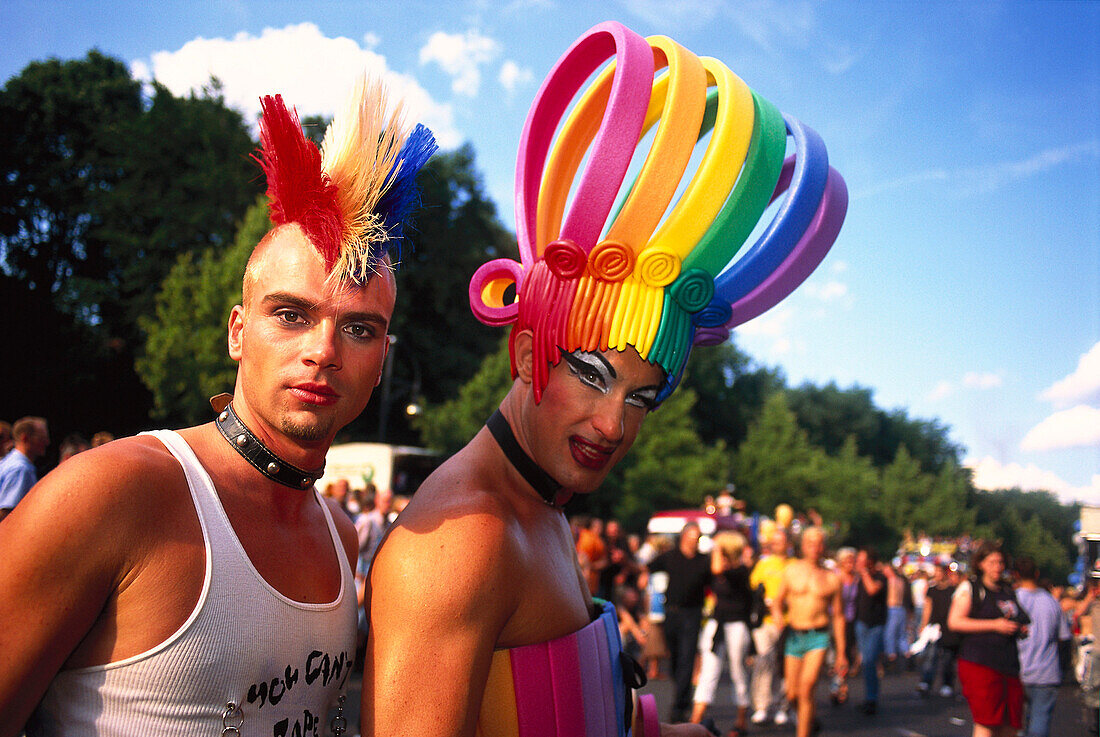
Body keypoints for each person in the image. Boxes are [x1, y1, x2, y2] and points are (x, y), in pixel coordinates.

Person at [363, 20, 845, 737]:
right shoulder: (463, 542)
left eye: (642, 396)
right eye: (592, 373)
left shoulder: (541, 506)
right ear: (527, 355)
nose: (615, 423)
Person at [0, 77, 436, 734]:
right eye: (291, 314)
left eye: (358, 328)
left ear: (383, 357)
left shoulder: (344, 541)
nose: (323, 350)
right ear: (238, 331)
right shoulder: (113, 493)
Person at [947, 541, 1030, 737]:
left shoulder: (1007, 590)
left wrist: (1019, 629)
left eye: (1001, 562)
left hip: (1008, 663)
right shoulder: (971, 588)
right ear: (981, 563)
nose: (997, 567)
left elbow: (1019, 617)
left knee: (1011, 724)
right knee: (988, 721)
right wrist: (994, 625)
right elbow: (955, 622)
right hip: (980, 662)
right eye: (992, 562)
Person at [772, 527, 847, 737]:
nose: (815, 548)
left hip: (819, 636)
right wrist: (778, 615)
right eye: (810, 543)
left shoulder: (832, 578)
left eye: (819, 543)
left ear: (824, 547)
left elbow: (839, 617)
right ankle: (809, 720)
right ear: (803, 546)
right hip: (794, 636)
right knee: (792, 693)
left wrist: (841, 652)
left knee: (807, 688)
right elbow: (777, 601)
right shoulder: (791, 571)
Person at [689, 531, 755, 735]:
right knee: (708, 672)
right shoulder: (716, 570)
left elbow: (719, 569)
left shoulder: (741, 571)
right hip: (717, 625)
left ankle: (741, 721)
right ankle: (695, 720)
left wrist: (717, 548)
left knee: (737, 672)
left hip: (736, 625)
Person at [648, 522, 712, 723]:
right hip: (672, 612)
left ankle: (680, 705)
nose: (695, 542)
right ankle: (681, 691)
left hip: (692, 614)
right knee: (675, 656)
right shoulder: (670, 557)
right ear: (684, 537)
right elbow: (647, 567)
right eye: (693, 537)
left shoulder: (704, 561)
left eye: (698, 538)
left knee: (687, 657)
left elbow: (715, 579)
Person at [1014, 556, 1071, 737]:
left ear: (1015, 575)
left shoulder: (1011, 600)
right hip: (1046, 672)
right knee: (1040, 721)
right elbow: (1064, 637)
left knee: (1017, 723)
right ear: (1037, 574)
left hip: (1017, 669)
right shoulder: (1051, 602)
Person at [750, 527, 792, 726]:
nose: (776, 545)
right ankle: (761, 706)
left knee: (785, 667)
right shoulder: (764, 564)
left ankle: (784, 706)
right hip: (765, 622)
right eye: (774, 541)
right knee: (764, 661)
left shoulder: (794, 565)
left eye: (780, 541)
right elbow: (753, 588)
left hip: (789, 621)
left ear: (788, 544)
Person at [915, 562, 959, 698]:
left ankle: (947, 684)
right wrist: (923, 624)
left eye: (939, 572)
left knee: (947, 658)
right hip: (934, 627)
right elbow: (927, 607)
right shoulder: (932, 590)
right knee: (930, 656)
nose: (937, 575)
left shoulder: (953, 590)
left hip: (948, 628)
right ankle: (926, 681)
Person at [854, 546, 887, 715]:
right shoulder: (859, 578)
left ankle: (871, 698)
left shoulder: (880, 577)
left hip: (875, 625)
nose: (858, 562)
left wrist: (865, 573)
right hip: (861, 623)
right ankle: (868, 696)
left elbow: (872, 589)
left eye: (861, 558)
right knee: (865, 662)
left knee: (869, 661)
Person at [0, 416, 49, 521]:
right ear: (25, 438)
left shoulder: (8, 461)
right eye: (42, 438)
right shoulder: (21, 469)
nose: (47, 442)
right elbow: (6, 514)